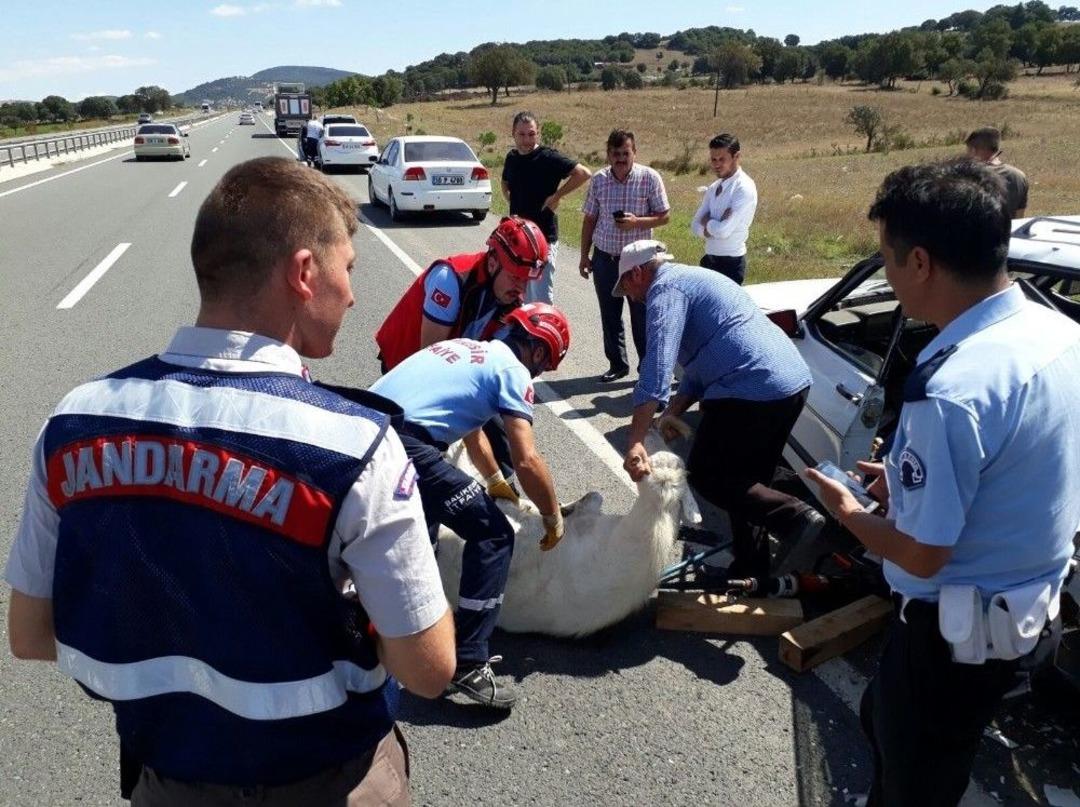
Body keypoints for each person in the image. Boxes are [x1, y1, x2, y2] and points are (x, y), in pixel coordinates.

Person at [5, 157, 455, 806]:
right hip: (334, 779)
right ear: (304, 273)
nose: (354, 294)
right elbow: (430, 669)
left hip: (166, 780)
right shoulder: (355, 445)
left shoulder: (74, 422)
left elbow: (29, 635)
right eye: (348, 269)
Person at [807, 160, 1080, 807]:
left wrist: (848, 509)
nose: (891, 278)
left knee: (917, 777)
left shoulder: (951, 388)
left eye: (888, 260)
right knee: (896, 726)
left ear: (921, 262)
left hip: (948, 635)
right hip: (1018, 618)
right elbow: (1017, 465)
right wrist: (904, 488)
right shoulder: (1058, 332)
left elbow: (924, 552)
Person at [370, 304, 571, 709]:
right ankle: (469, 662)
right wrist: (552, 515)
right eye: (544, 364)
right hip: (407, 444)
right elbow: (528, 458)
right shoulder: (512, 371)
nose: (539, 373)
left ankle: (393, 640)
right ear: (537, 350)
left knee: (419, 544)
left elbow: (471, 429)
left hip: (369, 429)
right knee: (493, 533)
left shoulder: (467, 349)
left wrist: (495, 480)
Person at [617, 240, 822, 580]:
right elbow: (701, 363)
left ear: (637, 272)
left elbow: (656, 367)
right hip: (790, 383)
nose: (629, 296)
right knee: (747, 485)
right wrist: (675, 410)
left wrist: (636, 438)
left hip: (752, 387)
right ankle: (752, 569)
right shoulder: (691, 279)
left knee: (709, 474)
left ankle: (795, 517)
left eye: (625, 285)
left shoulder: (664, 291)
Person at [375, 215, 550, 487]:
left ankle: (507, 491)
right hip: (407, 363)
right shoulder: (451, 278)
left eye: (527, 280)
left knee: (496, 417)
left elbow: (494, 372)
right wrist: (466, 426)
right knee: (415, 452)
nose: (521, 288)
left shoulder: (510, 301)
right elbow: (433, 370)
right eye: (515, 277)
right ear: (492, 262)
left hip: (451, 360)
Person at [579, 129, 671, 382]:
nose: (621, 158)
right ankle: (617, 364)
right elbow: (589, 219)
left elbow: (664, 216)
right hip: (605, 258)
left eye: (625, 153)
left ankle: (647, 369)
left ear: (634, 153)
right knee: (610, 314)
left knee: (642, 316)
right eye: (615, 153)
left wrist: (636, 222)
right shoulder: (599, 180)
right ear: (608, 154)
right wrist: (584, 255)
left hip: (639, 264)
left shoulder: (649, 178)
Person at [501, 111, 592, 304]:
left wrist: (556, 196)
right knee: (520, 296)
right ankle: (522, 333)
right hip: (519, 241)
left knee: (541, 299)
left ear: (538, 133)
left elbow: (583, 173)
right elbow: (505, 183)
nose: (526, 140)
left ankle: (542, 333)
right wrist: (512, 200)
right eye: (522, 134)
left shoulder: (548, 158)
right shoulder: (512, 158)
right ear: (513, 133)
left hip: (543, 240)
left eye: (531, 134)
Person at [690, 133, 758, 285]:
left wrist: (707, 222)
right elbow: (694, 226)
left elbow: (723, 231)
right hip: (709, 260)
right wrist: (716, 224)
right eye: (713, 159)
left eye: (722, 159)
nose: (716, 164)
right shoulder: (714, 187)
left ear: (736, 157)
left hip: (731, 263)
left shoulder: (743, 188)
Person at [965, 127, 1028, 218]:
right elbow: (1019, 217)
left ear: (974, 150)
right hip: (1010, 231)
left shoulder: (969, 176)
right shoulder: (1019, 176)